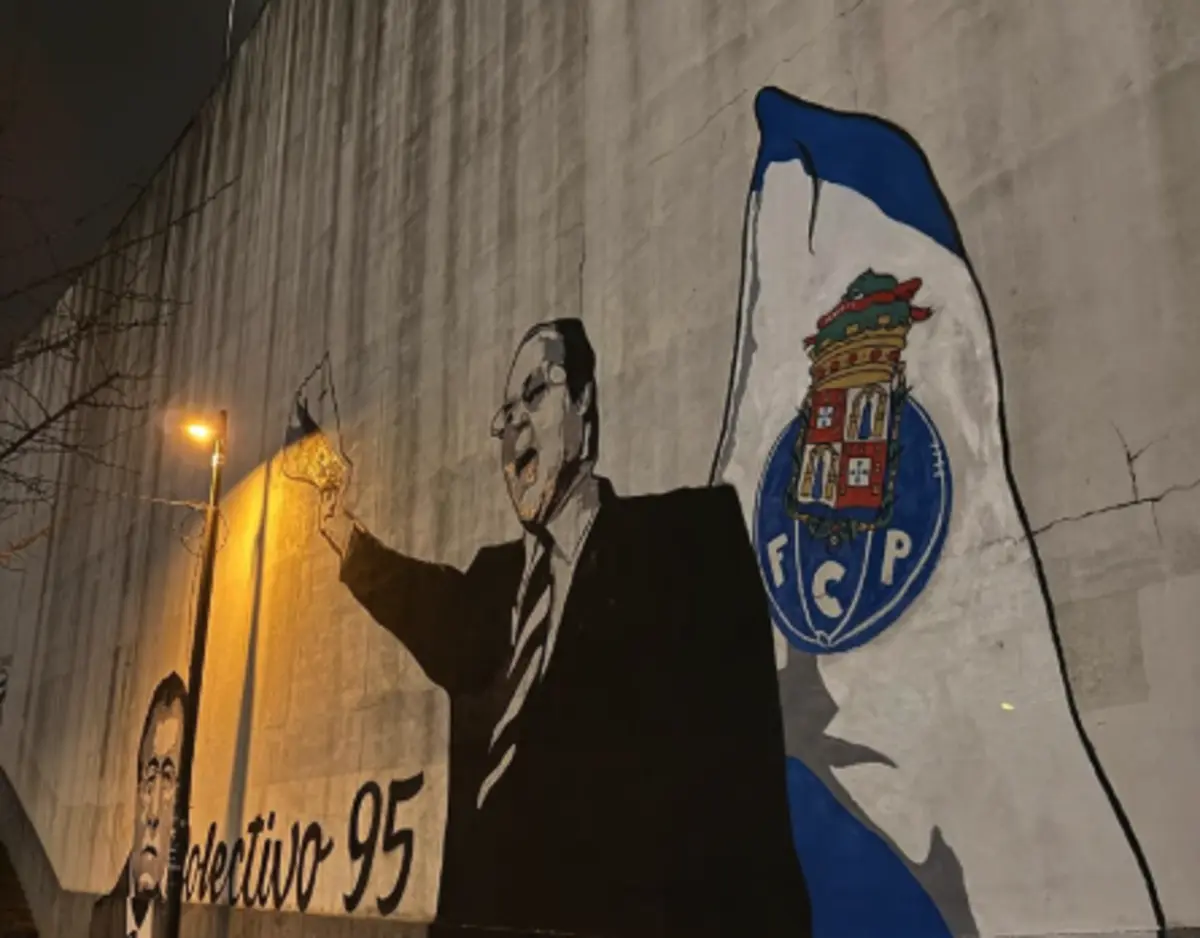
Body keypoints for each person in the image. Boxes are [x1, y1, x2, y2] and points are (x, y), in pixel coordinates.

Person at [316, 319, 810, 937]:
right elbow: (411, 595)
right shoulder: (493, 586)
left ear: (584, 402)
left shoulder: (684, 544)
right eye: (504, 413)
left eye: (536, 393)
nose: (514, 423)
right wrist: (334, 516)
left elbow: (743, 783)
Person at [89, 673, 187, 938]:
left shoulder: (176, 922)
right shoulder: (104, 915)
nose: (153, 813)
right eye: (149, 778)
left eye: (167, 781)